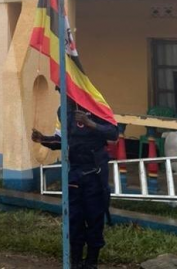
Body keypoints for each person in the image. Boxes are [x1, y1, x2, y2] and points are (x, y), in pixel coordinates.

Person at [32, 100, 118, 269]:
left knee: (94, 218)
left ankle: (92, 262)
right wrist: (43, 139)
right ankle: (76, 261)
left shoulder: (96, 105)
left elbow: (113, 133)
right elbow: (61, 140)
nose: (61, 92)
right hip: (74, 174)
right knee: (74, 218)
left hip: (95, 174)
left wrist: (91, 124)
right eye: (58, 89)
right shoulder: (62, 110)